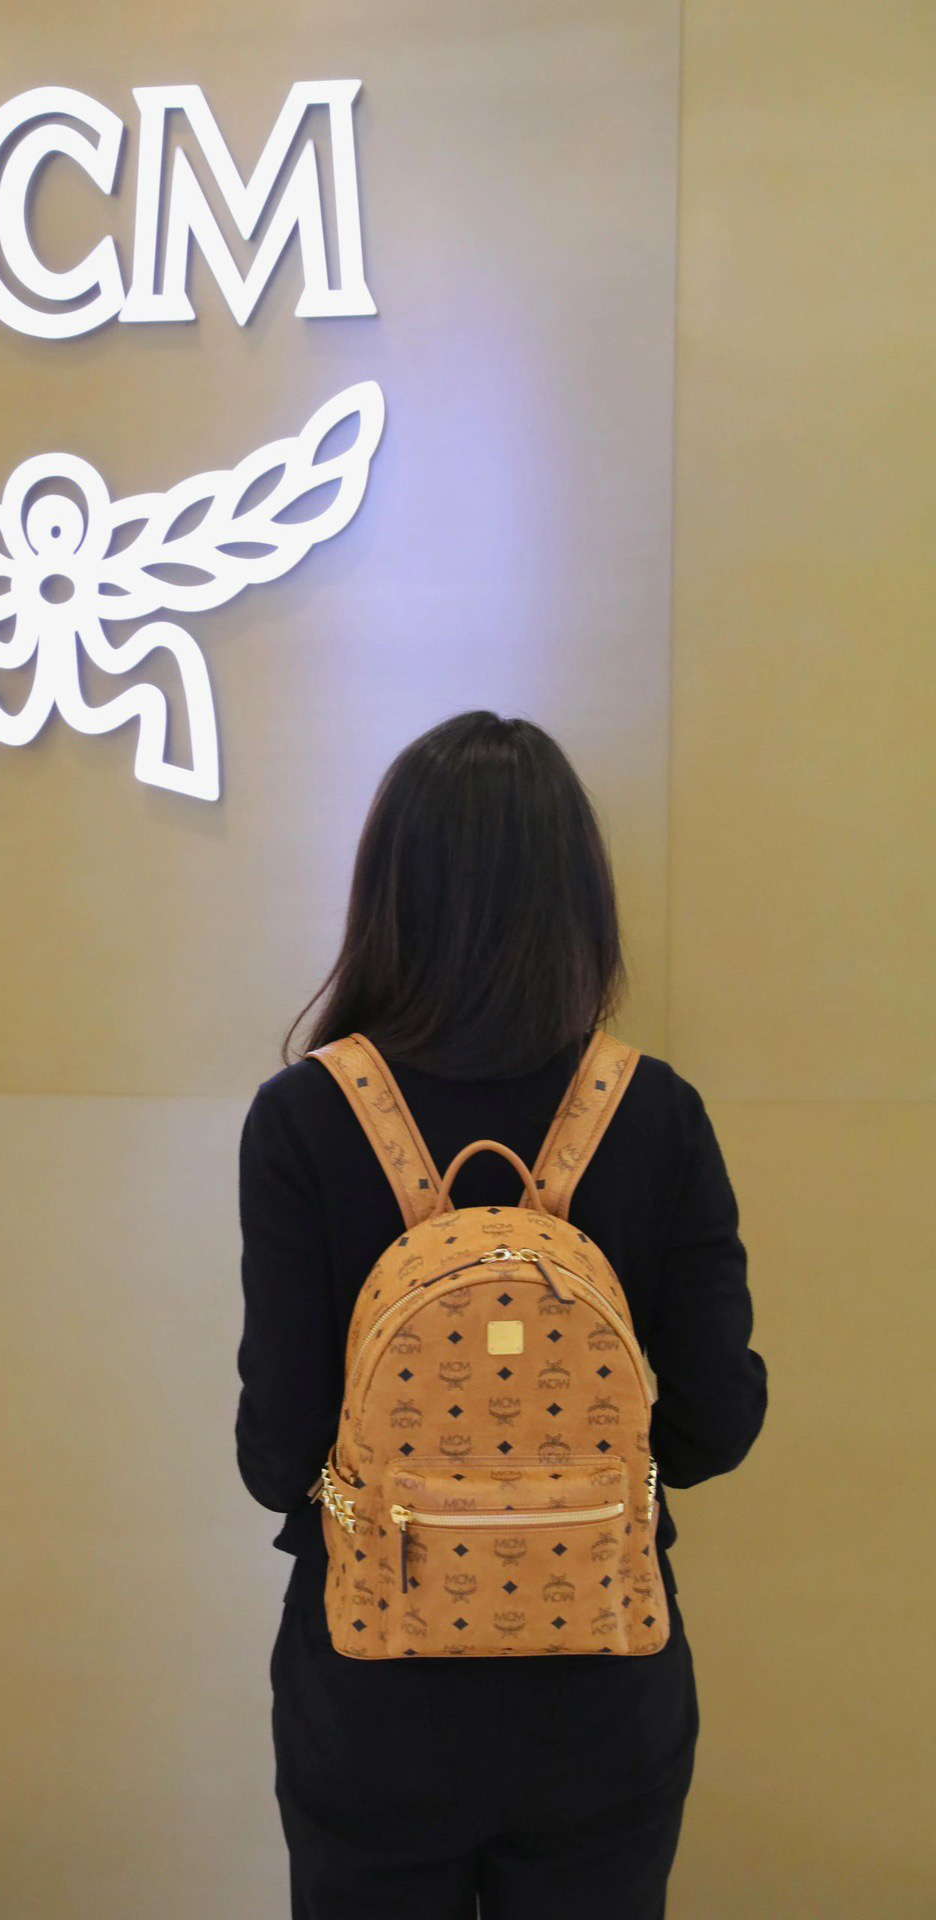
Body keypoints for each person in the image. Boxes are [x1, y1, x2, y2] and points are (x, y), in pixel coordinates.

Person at [235, 710, 767, 1919]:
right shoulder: (657, 1113)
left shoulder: (305, 1119)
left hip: (373, 1693)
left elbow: (276, 1459)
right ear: (582, 898)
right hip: (601, 1691)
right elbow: (715, 1429)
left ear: (388, 895)